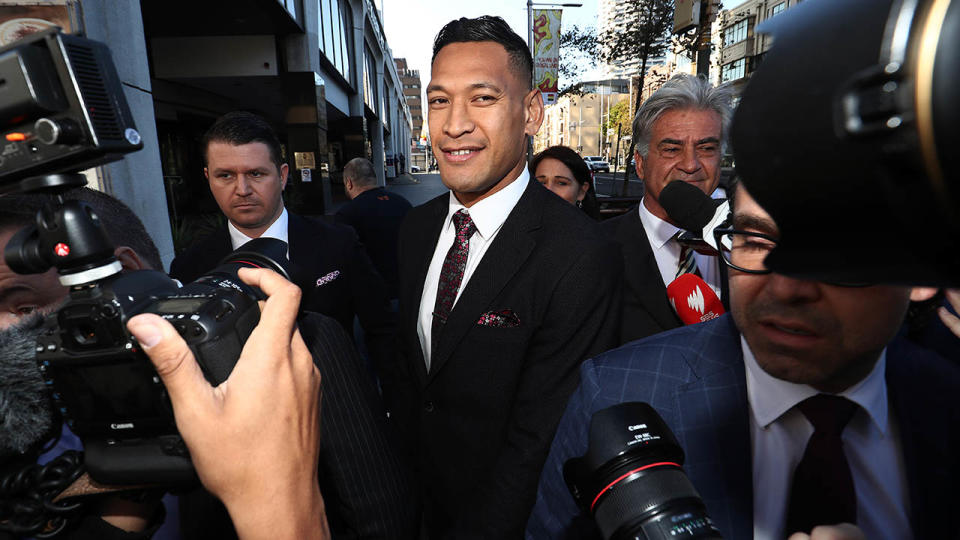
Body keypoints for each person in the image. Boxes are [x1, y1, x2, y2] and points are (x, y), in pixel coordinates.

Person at [527, 183, 959, 539]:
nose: (785, 287)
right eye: (754, 240)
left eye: (833, 251)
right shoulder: (618, 394)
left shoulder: (945, 400)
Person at [0, 189, 416, 539]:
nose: (7, 339)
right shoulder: (18, 436)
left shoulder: (295, 344)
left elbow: (376, 507)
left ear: (125, 273)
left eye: (24, 309)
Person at [391, 16, 621, 538]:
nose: (454, 124)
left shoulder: (580, 254)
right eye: (439, 100)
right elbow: (412, 381)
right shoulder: (414, 229)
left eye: (483, 98)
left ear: (531, 112)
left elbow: (541, 440)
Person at [168, 111, 396, 381]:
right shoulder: (190, 267)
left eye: (255, 173)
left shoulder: (338, 243)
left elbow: (383, 332)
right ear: (208, 178)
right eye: (226, 176)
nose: (242, 189)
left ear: (283, 175)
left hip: (334, 409)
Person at [601, 74, 733, 344]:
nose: (690, 164)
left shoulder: (747, 240)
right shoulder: (594, 250)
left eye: (706, 148)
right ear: (640, 163)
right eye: (672, 149)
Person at [335, 157, 413, 300]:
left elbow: (342, 259)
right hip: (406, 290)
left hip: (371, 296)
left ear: (349, 183)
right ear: (374, 178)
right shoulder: (403, 203)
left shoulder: (347, 214)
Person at [529, 145, 600, 219]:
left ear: (581, 192)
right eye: (541, 183)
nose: (549, 190)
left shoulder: (591, 229)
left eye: (561, 183)